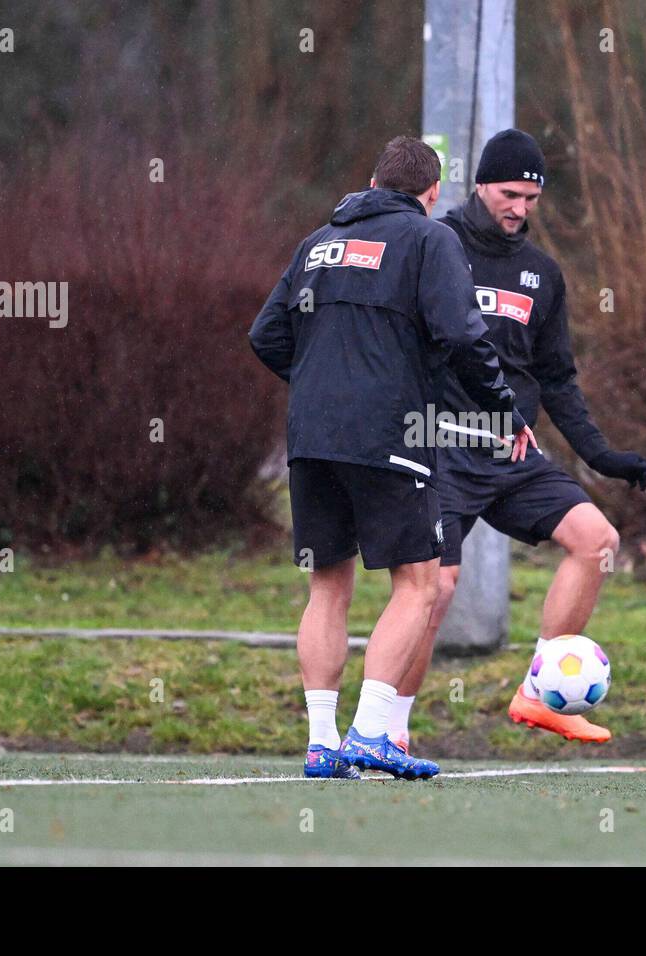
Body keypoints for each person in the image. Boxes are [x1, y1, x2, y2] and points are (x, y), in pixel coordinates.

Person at [249, 135, 534, 780]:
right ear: (430, 196)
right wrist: (505, 412)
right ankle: (372, 732)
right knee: (419, 582)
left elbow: (266, 335)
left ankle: (321, 744)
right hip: (391, 434)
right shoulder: (430, 240)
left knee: (328, 586)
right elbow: (463, 334)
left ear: (375, 181)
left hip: (313, 437)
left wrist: (326, 382)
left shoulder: (316, 242)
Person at [390, 129, 646, 750]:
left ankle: (539, 693)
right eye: (510, 194)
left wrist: (599, 454)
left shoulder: (542, 274)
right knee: (438, 588)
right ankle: (387, 730)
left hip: (512, 453)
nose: (520, 209)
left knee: (596, 542)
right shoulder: (437, 244)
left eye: (531, 199)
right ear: (480, 183)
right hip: (441, 449)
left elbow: (556, 377)